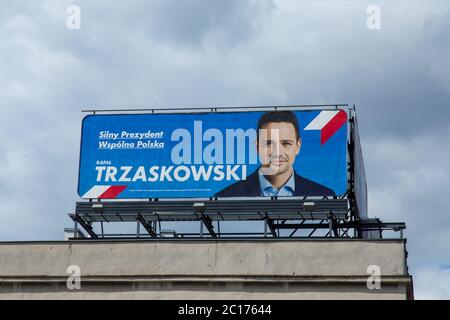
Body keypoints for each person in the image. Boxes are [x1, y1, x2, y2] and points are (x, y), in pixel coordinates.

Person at [214, 111, 335, 197]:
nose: (277, 152)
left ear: (298, 146)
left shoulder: (324, 195)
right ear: (257, 147)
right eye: (269, 144)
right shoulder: (226, 196)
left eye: (286, 143)